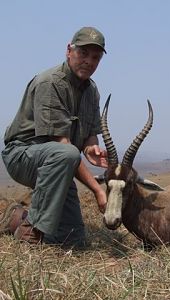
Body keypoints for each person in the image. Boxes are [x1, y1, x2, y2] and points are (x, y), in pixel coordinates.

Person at [1, 26, 108, 247]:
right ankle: (32, 228)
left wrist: (90, 149)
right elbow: (63, 145)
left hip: (59, 164)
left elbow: (90, 136)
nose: (89, 61)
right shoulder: (50, 83)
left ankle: (16, 219)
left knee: (73, 240)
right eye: (83, 53)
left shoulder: (92, 91)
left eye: (95, 57)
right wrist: (98, 190)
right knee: (66, 153)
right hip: (22, 155)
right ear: (69, 50)